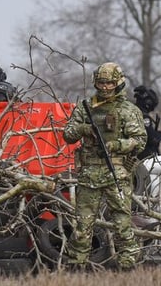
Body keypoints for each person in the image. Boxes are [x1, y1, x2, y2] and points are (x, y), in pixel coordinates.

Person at [62, 62, 147, 270]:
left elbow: (140, 140)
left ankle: (127, 264)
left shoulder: (127, 110)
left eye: (109, 83)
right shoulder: (86, 108)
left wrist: (117, 145)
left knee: (122, 223)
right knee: (82, 224)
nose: (105, 87)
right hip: (90, 173)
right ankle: (76, 265)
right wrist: (84, 129)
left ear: (117, 83)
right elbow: (67, 135)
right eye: (101, 82)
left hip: (116, 173)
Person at [132, 85, 161, 158]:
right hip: (143, 156)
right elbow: (151, 138)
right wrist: (159, 135)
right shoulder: (143, 116)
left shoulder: (132, 111)